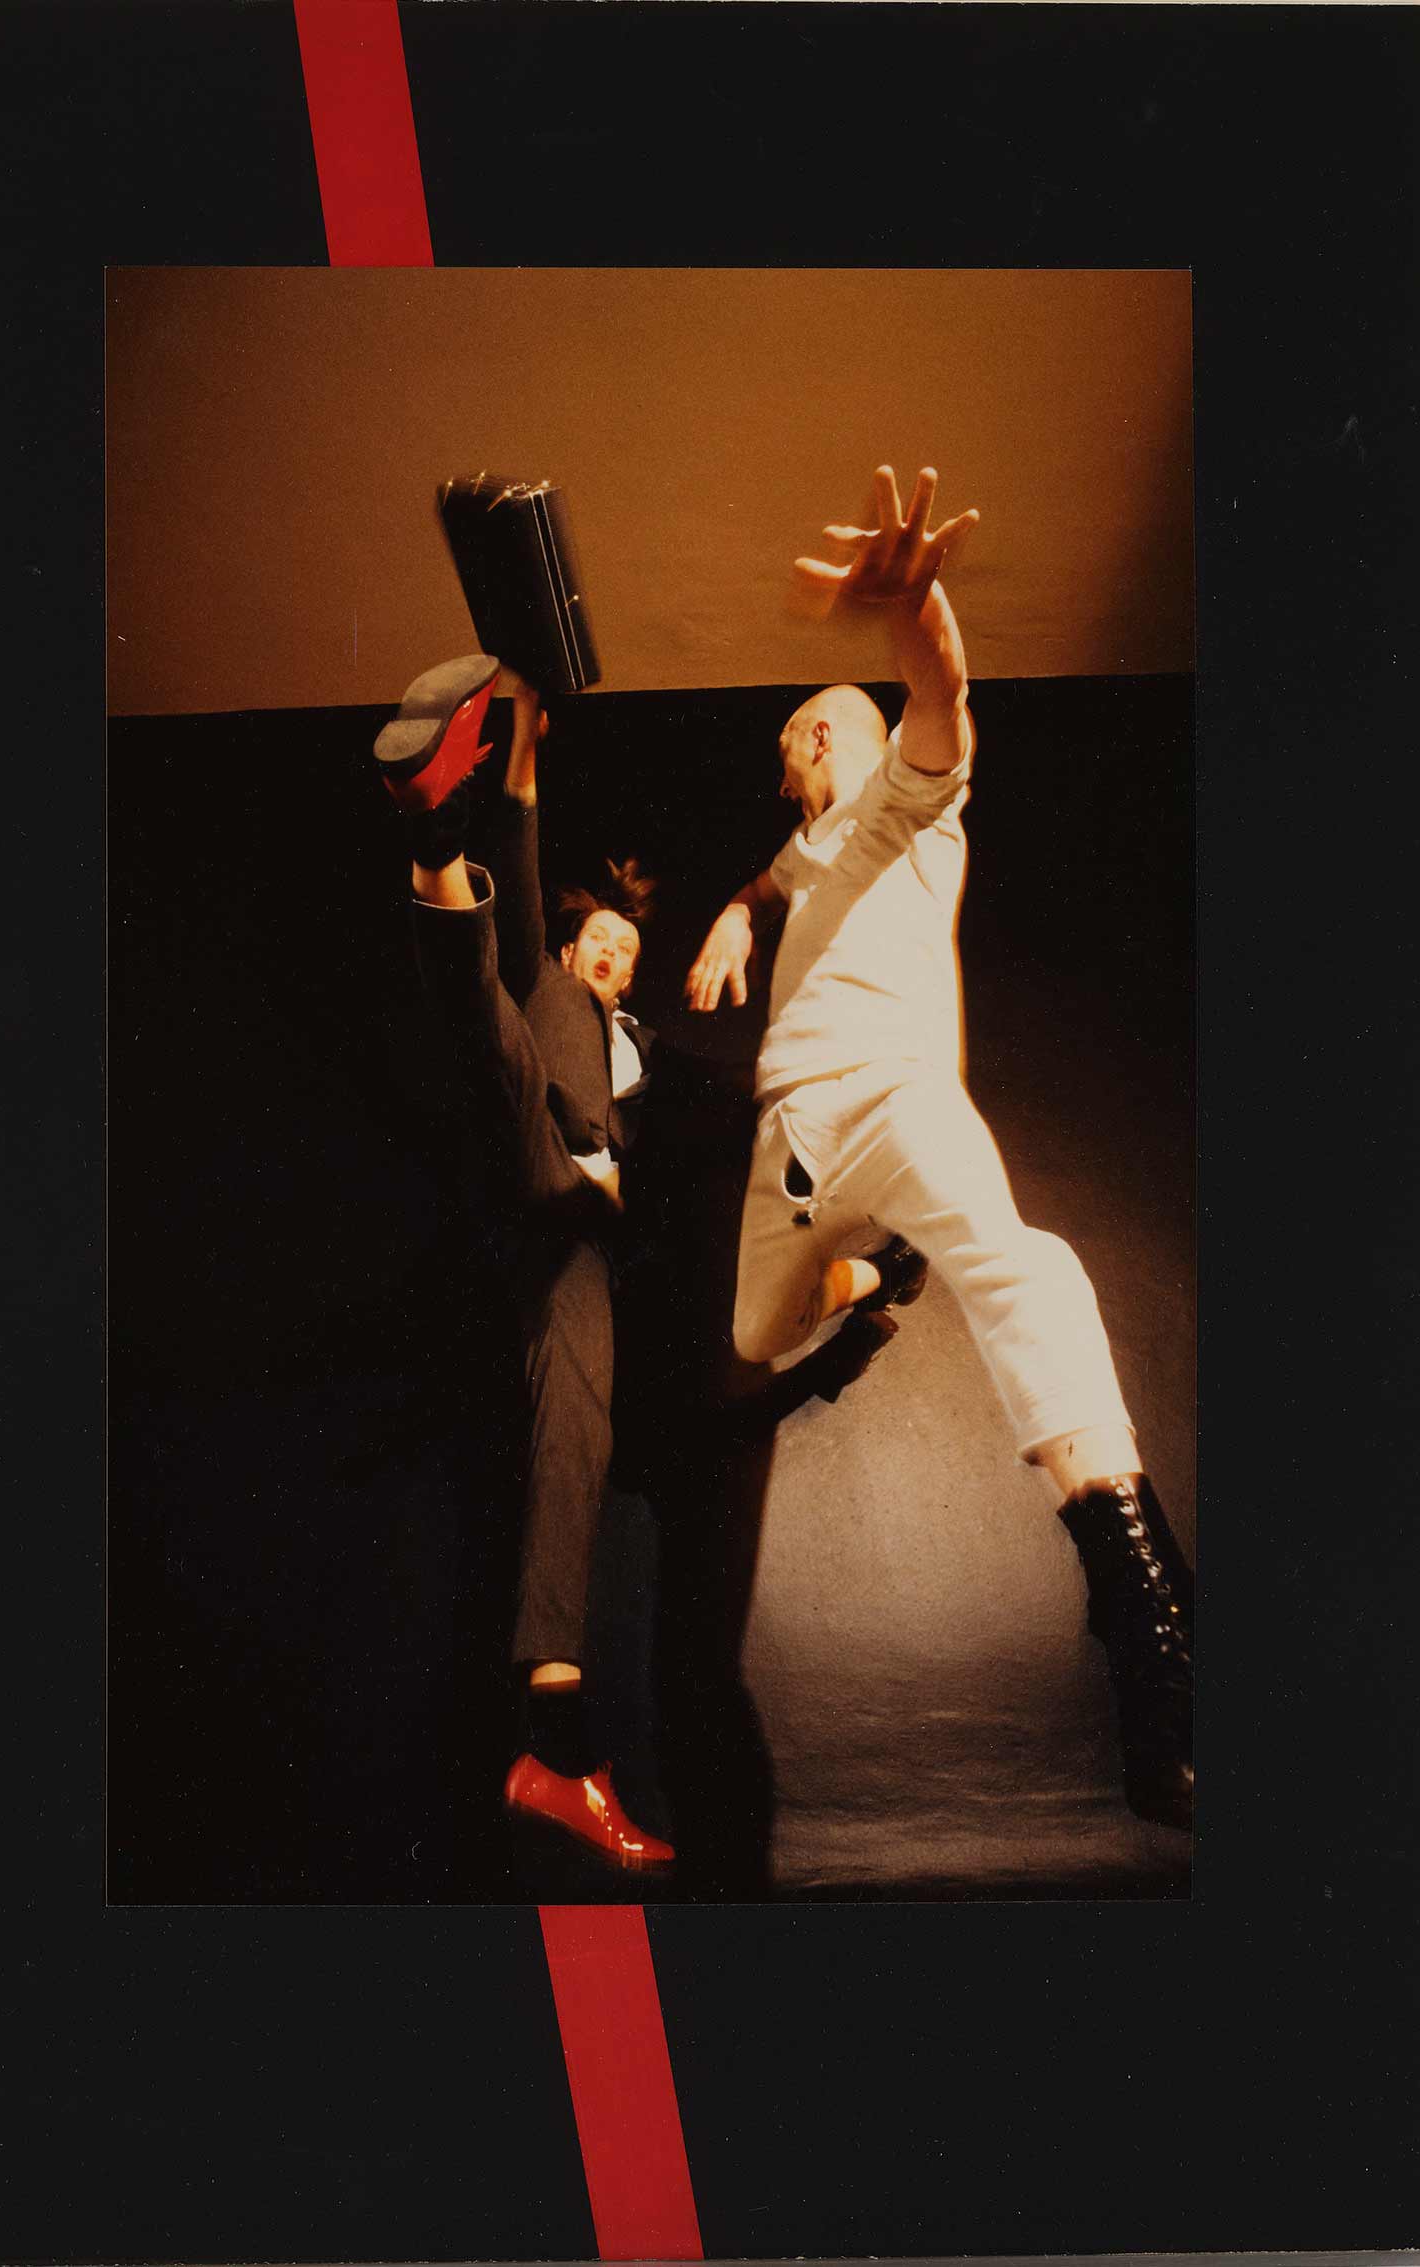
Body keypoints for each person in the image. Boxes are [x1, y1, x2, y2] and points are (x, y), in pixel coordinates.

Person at [685, 465, 1194, 1831]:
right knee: (752, 1331)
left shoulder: (911, 800)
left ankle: (1148, 1627)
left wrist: (915, 606)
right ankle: (875, 1266)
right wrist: (736, 910)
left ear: (828, 734)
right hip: (789, 1146)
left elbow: (940, 696)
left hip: (895, 1098)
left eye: (792, 745)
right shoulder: (807, 851)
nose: (782, 770)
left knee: (1024, 1265)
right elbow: (778, 868)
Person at [374, 655, 675, 1870]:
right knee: (494, 1039)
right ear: (573, 936)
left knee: (576, 1437)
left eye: (623, 949)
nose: (607, 953)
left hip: (582, 1238)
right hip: (525, 1164)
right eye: (597, 935)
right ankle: (438, 833)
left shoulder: (640, 1050)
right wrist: (525, 735)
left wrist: (623, 1190)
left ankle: (556, 1745)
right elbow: (532, 854)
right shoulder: (550, 981)